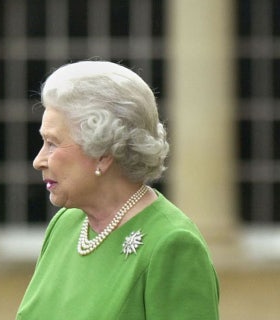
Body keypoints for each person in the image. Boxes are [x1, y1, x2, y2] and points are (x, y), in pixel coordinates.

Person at [16, 61, 219, 319]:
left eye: (52, 144)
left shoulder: (172, 244)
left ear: (103, 153)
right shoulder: (66, 224)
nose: (39, 160)